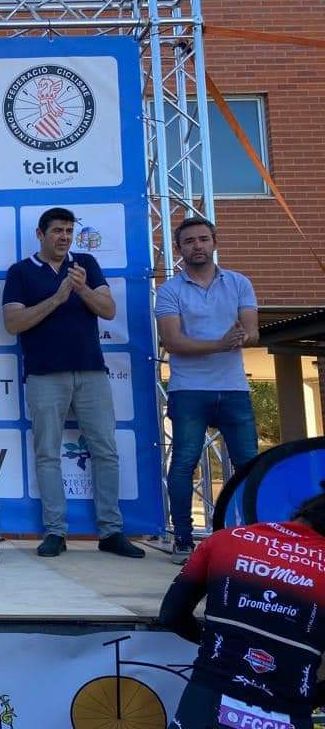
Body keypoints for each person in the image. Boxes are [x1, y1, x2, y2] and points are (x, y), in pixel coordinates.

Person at [2, 206, 144, 559]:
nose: (64, 237)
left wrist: (81, 289)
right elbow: (13, 323)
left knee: (105, 450)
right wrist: (58, 297)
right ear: (40, 234)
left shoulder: (86, 264)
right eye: (57, 231)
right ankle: (55, 531)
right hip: (44, 374)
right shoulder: (20, 271)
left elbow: (108, 310)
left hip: (91, 372)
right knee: (47, 453)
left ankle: (111, 531)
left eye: (69, 231)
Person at [159, 486, 325, 729]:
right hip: (289, 708)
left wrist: (221, 642)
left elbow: (170, 615)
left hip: (208, 698)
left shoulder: (225, 539)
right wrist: (309, 699)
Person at [156, 216, 259, 564]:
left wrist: (240, 337)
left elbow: (253, 333)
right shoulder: (170, 290)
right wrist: (219, 344)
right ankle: (183, 539)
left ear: (214, 242)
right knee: (184, 463)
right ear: (179, 249)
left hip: (234, 388)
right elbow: (173, 342)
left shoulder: (240, 283)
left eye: (203, 239)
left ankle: (252, 536)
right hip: (189, 390)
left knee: (248, 464)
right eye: (189, 241)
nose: (197, 246)